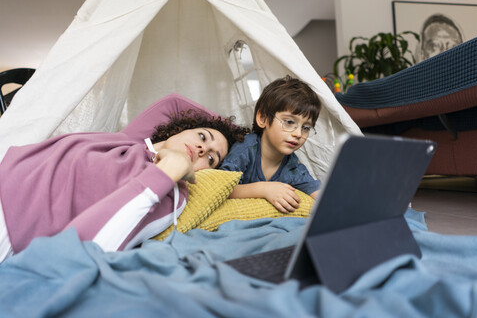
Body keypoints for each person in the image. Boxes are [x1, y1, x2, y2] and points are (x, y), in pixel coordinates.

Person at [0, 93, 249, 262]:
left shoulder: (172, 191)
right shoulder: (134, 141)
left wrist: (172, 169)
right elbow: (173, 103)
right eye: (203, 136)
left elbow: (90, 247)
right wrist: (243, 135)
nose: (202, 149)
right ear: (184, 128)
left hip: (11, 224)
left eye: (212, 159)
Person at [220, 76, 321, 214]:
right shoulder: (245, 149)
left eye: (306, 128)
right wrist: (265, 189)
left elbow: (319, 193)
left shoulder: (292, 166)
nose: (298, 133)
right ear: (263, 119)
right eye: (289, 122)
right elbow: (221, 189)